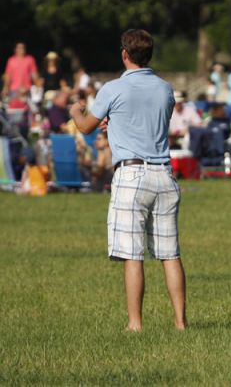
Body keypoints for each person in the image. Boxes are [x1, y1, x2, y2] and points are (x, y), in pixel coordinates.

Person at [69, 28, 186, 332]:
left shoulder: (112, 88)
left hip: (132, 175)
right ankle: (180, 323)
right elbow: (150, 123)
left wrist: (75, 111)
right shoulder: (165, 89)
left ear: (124, 54)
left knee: (132, 254)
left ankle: (135, 324)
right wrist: (116, 122)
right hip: (164, 174)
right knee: (170, 254)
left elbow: (85, 127)